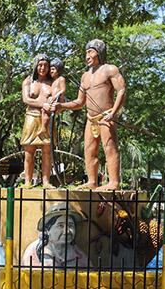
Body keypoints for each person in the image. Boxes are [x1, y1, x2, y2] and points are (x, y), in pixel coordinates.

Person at [54, 39, 126, 190]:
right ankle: (92, 181)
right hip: (90, 119)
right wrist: (62, 106)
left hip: (106, 116)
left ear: (99, 53)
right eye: (86, 52)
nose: (87, 56)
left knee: (109, 148)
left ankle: (114, 182)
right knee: (89, 149)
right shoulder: (85, 76)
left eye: (90, 52)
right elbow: (80, 102)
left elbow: (121, 90)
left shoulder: (110, 69)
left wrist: (114, 113)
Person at [20, 54, 55, 188]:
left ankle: (46, 181)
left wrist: (52, 104)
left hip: (46, 118)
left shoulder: (52, 82)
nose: (43, 68)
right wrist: (43, 104)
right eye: (40, 65)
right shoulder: (28, 81)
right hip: (32, 116)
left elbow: (58, 97)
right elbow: (27, 100)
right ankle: (28, 181)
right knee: (29, 149)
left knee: (47, 149)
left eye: (46, 65)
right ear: (35, 66)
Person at [22, 202, 88, 268]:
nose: (67, 231)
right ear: (47, 230)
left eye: (71, 225)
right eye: (60, 226)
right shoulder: (34, 252)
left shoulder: (79, 255)